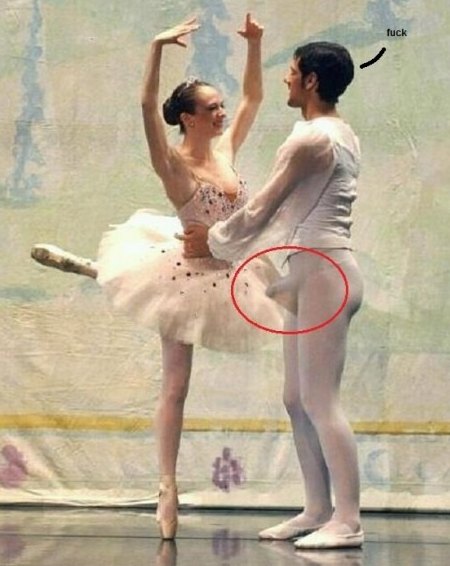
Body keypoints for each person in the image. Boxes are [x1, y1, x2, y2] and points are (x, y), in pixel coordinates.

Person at [80, 14, 281, 541]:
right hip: (186, 278)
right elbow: (147, 107)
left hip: (230, 268)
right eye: (211, 108)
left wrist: (255, 45)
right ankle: (166, 486)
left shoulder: (225, 150)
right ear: (188, 119)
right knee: (176, 386)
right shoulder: (173, 166)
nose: (221, 113)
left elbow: (253, 98)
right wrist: (155, 48)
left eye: (220, 106)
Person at [182, 41, 364, 550]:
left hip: (325, 271)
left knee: (321, 400)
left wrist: (214, 241)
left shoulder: (315, 139)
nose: (286, 78)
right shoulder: (334, 133)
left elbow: (264, 207)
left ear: (311, 81)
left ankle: (348, 520)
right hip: (308, 270)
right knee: (296, 398)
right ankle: (318, 509)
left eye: (292, 71)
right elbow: (285, 214)